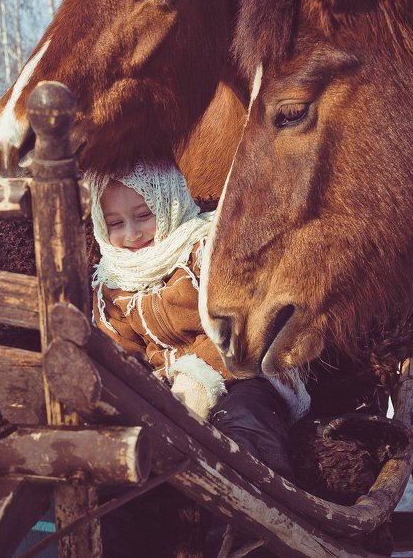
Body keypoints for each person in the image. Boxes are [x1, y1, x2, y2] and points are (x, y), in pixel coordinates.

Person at [89, 161, 310, 470]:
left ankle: (256, 498)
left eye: (143, 215)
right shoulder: (112, 283)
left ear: (170, 203)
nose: (132, 233)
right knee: (128, 445)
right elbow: (120, 351)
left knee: (244, 424)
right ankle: (160, 508)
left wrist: (196, 378)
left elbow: (242, 327)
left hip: (241, 374)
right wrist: (142, 389)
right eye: (115, 223)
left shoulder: (207, 250)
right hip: (168, 390)